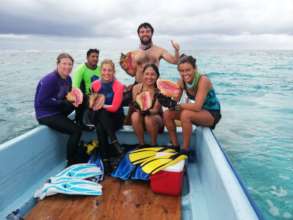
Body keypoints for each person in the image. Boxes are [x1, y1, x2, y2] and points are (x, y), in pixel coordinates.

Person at [162, 55, 221, 154]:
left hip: (211, 113)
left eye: (188, 70)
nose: (185, 73)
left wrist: (179, 106)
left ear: (195, 68)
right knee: (167, 114)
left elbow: (197, 106)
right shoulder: (181, 82)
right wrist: (166, 99)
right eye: (182, 71)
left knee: (186, 114)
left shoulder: (203, 80)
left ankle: (185, 149)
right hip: (198, 112)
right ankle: (175, 145)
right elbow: (175, 102)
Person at [34, 53, 83, 165]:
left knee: (83, 98)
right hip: (46, 114)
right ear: (57, 64)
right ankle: (70, 161)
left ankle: (81, 122)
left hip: (58, 109)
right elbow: (42, 101)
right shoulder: (49, 80)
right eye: (64, 63)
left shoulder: (68, 79)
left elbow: (67, 96)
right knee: (76, 131)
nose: (67, 67)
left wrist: (75, 99)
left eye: (70, 64)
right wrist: (63, 103)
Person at [91, 59, 125, 172]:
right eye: (104, 70)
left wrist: (100, 105)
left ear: (114, 72)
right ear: (100, 71)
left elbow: (115, 108)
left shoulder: (119, 86)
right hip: (102, 117)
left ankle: (105, 162)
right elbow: (93, 105)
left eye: (110, 70)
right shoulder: (95, 85)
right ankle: (114, 143)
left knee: (101, 123)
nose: (107, 73)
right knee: (101, 117)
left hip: (116, 118)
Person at [131, 64, 163, 146]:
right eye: (147, 74)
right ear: (142, 75)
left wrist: (146, 111)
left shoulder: (160, 91)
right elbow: (136, 106)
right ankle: (142, 144)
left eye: (152, 74)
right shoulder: (136, 88)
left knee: (149, 118)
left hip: (156, 119)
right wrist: (139, 108)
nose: (149, 77)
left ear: (157, 76)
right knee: (135, 116)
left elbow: (156, 110)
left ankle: (154, 144)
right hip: (141, 117)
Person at [72, 48, 101, 128]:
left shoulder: (100, 69)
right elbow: (75, 88)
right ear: (87, 57)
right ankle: (80, 122)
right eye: (93, 56)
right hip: (85, 97)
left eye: (97, 57)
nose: (95, 59)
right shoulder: (80, 70)